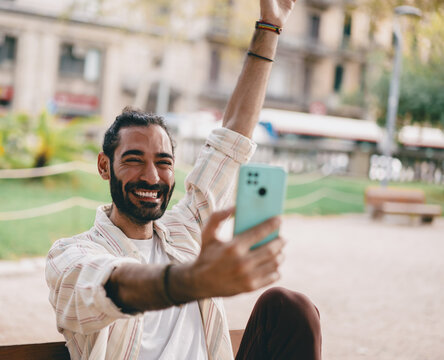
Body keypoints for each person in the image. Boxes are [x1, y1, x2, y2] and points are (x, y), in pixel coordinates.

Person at [46, 0, 321, 358]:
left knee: (287, 306)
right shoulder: (72, 255)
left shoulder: (186, 231)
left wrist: (269, 27)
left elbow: (231, 141)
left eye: (163, 162)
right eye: (133, 160)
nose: (151, 176)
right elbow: (107, 285)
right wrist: (191, 280)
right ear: (104, 166)